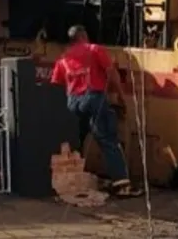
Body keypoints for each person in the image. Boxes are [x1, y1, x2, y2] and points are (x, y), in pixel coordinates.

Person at [50, 24, 141, 197]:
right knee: (108, 140)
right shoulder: (94, 50)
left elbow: (55, 85)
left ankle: (72, 179)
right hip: (93, 98)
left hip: (72, 101)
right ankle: (122, 185)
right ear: (84, 36)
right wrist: (121, 96)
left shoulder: (63, 59)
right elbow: (111, 73)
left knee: (76, 140)